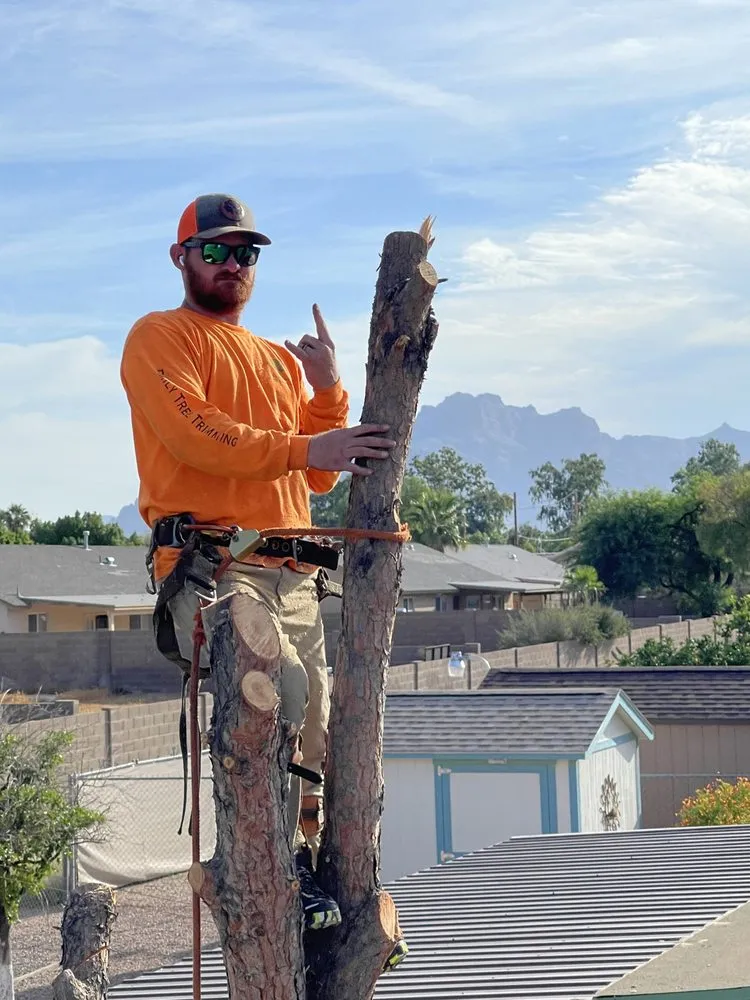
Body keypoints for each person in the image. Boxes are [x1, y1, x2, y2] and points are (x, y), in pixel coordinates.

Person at [119, 192, 397, 936]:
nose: (233, 264)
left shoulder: (276, 359)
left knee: (320, 730)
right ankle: (270, 870)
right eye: (215, 251)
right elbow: (197, 437)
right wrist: (310, 444)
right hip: (219, 566)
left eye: (246, 253)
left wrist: (326, 389)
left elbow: (312, 481)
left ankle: (310, 869)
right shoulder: (160, 337)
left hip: (293, 573)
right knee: (279, 700)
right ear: (182, 258)